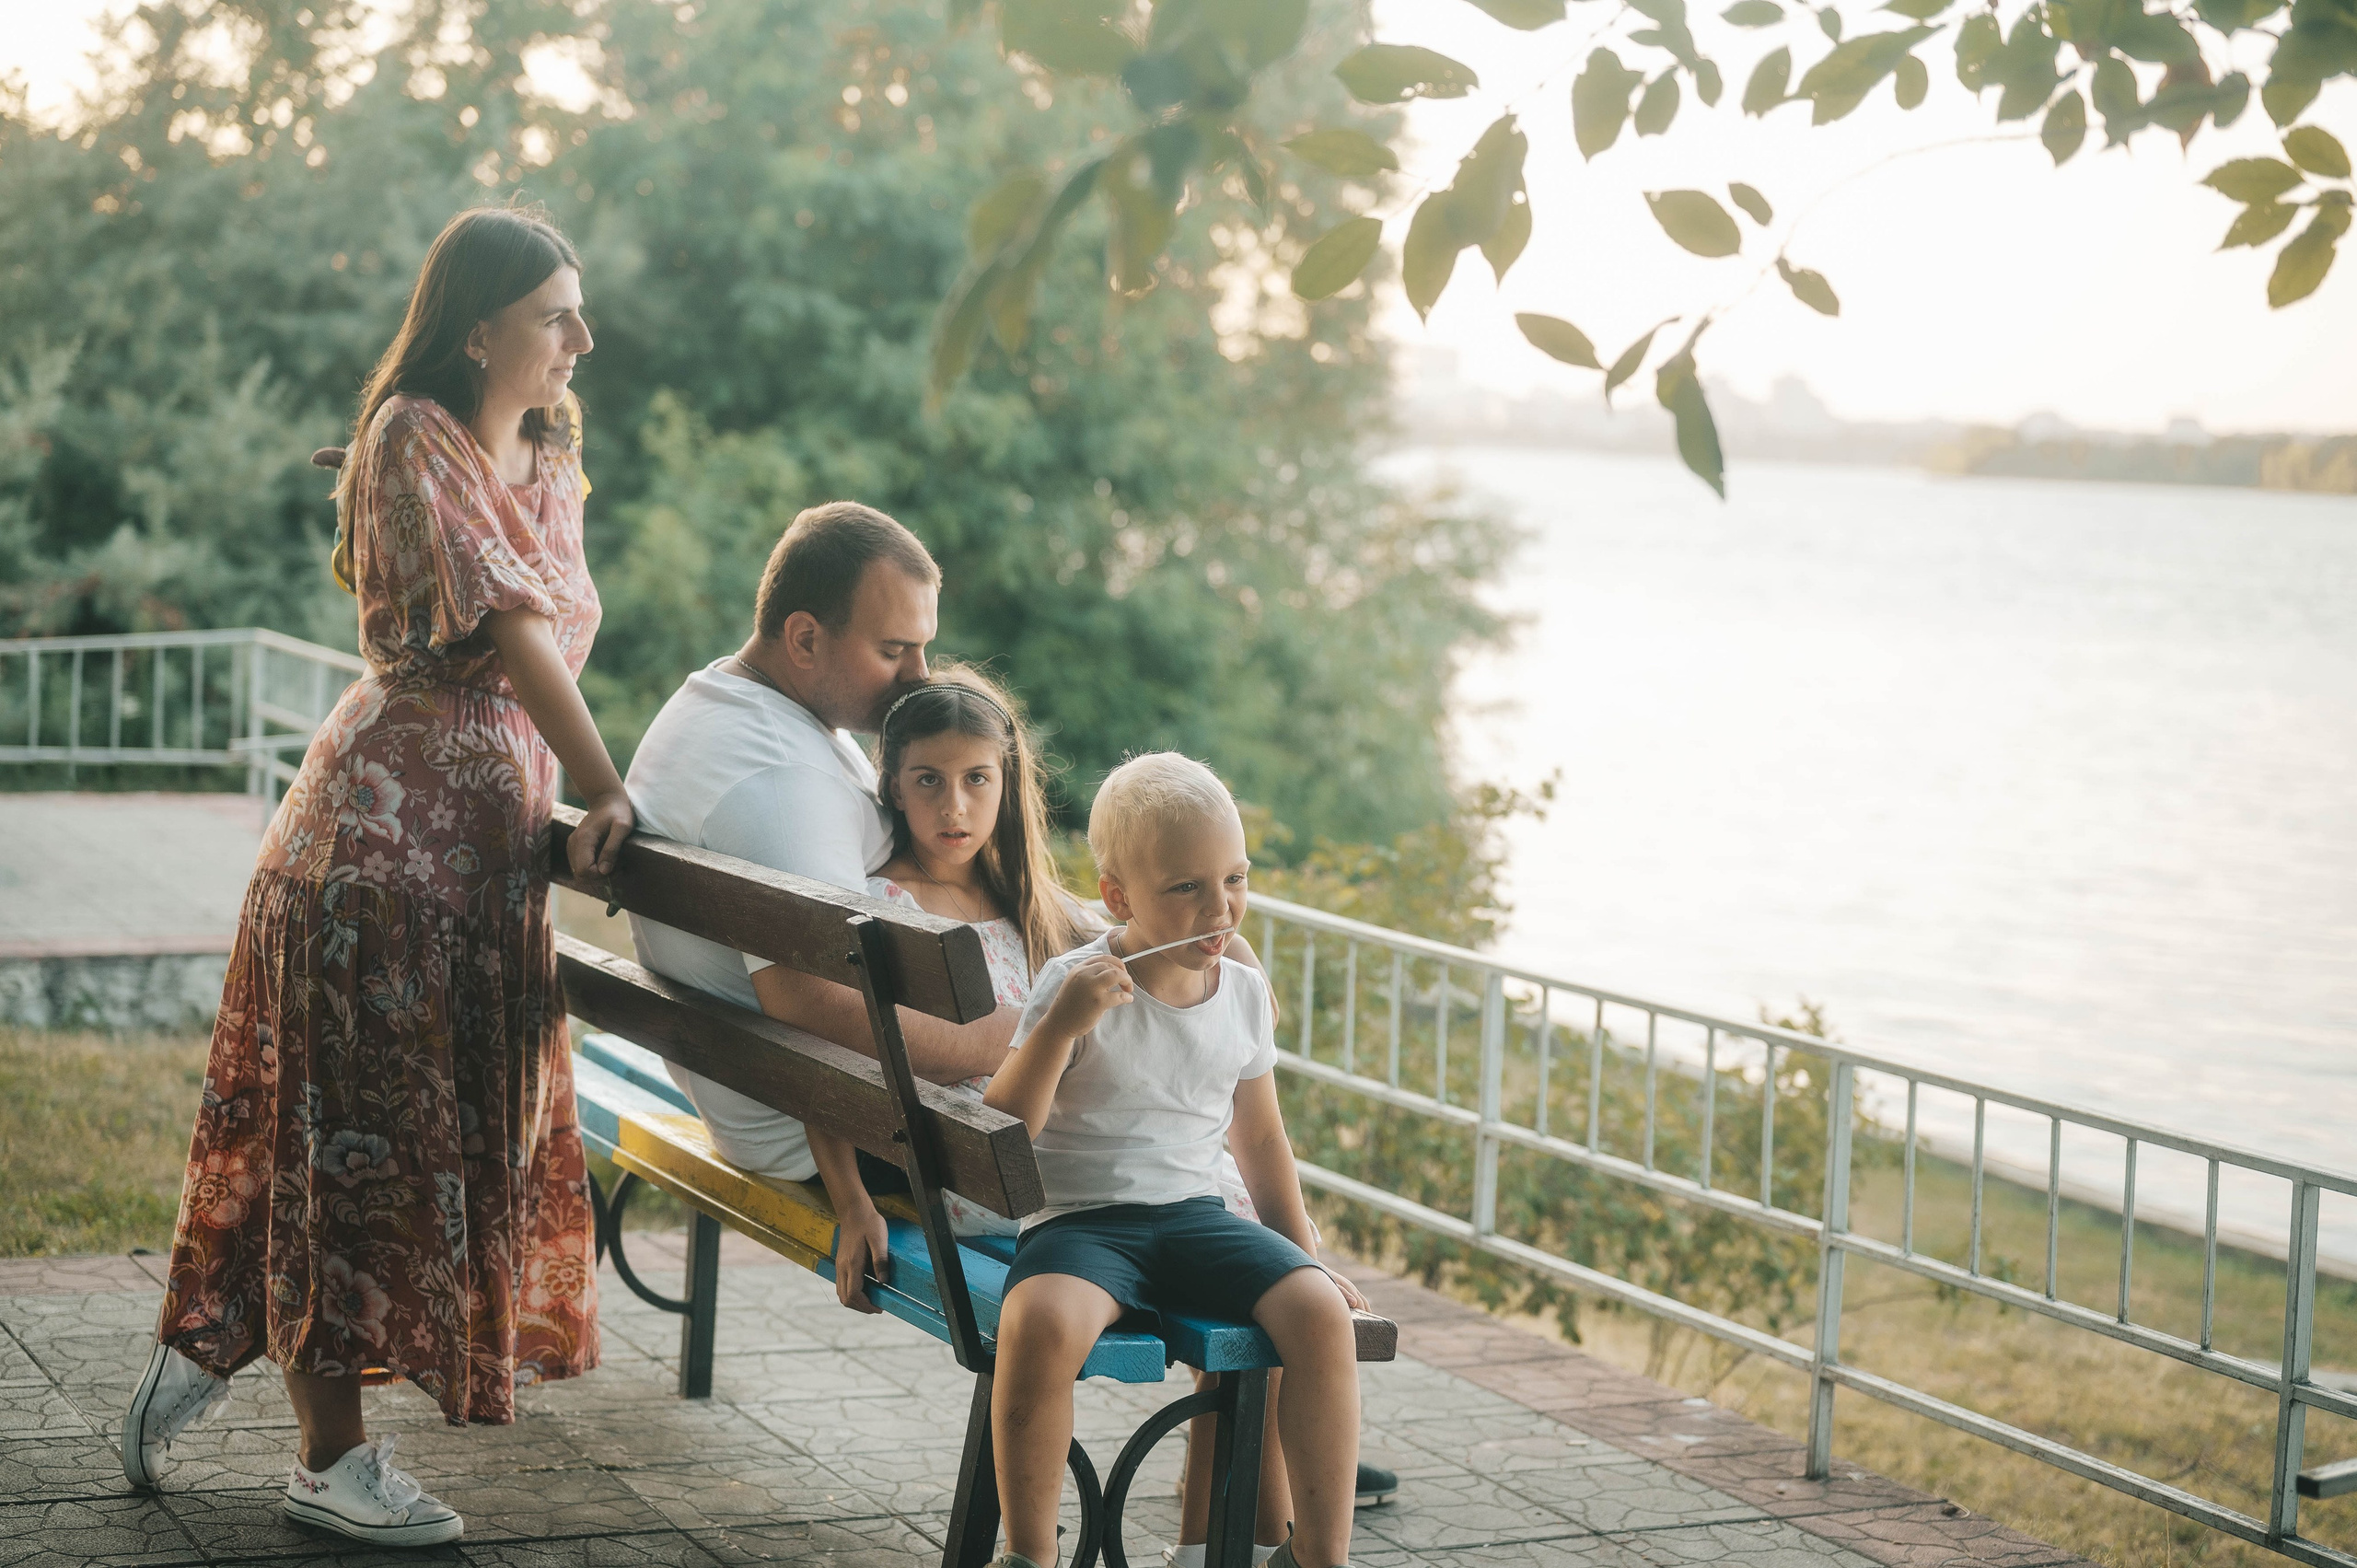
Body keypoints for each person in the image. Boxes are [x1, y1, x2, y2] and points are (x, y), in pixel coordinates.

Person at [124, 203, 634, 1549]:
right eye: (554, 314)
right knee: (343, 1147)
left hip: (479, 876)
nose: (583, 336)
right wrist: (604, 787)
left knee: (401, 1149)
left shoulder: (553, 454)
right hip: (375, 861)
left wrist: (568, 794)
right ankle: (326, 1457)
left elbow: (549, 655)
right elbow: (519, 632)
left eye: (581, 312)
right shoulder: (418, 432)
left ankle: (209, 1337)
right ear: (478, 331)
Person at [621, 502, 1016, 1307]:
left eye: (924, 647)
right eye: (894, 649)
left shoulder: (740, 706)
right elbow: (815, 999)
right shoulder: (776, 780)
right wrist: (1006, 1038)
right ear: (804, 638)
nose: (921, 675)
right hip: (826, 1120)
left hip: (782, 1082)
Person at [984, 753, 1368, 1568]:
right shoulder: (1075, 983)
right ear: (1119, 895)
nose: (1219, 906)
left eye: (1234, 878)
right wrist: (1058, 1028)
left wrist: (1301, 1255)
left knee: (1320, 1314)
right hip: (1081, 1223)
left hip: (1195, 1216)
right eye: (1186, 887)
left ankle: (1317, 1555)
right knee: (1039, 1322)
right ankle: (1030, 1554)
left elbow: (1261, 1139)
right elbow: (1007, 1126)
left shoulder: (1238, 992)